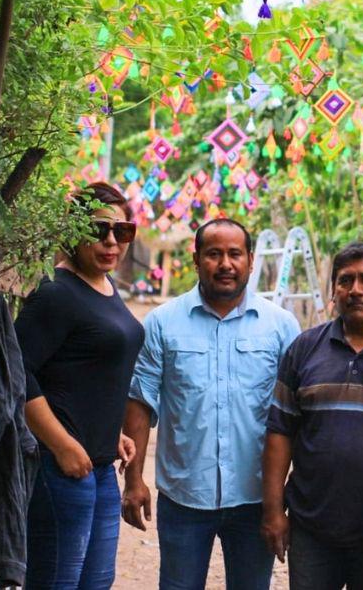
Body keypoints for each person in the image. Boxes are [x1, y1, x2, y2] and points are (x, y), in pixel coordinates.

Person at [121, 218, 301, 590]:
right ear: (196, 260)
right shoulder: (162, 323)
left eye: (235, 254)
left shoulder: (281, 326)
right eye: (214, 254)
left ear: (250, 260)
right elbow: (140, 402)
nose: (225, 264)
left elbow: (295, 414)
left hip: (256, 499)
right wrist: (134, 480)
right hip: (183, 498)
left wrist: (286, 495)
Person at [16, 182, 143, 589]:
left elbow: (87, 371)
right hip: (59, 467)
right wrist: (61, 444)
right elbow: (16, 373)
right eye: (98, 229)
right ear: (74, 230)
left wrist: (112, 432)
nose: (111, 241)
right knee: (57, 582)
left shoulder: (105, 287)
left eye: (122, 231)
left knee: (96, 582)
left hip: (100, 465)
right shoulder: (56, 293)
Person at [262, 243, 363, 590]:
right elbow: (280, 432)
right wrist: (272, 512)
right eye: (345, 280)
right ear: (334, 290)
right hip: (311, 527)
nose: (355, 290)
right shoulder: (304, 348)